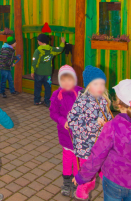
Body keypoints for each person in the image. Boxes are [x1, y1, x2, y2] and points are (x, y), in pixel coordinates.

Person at [73, 79, 131, 201]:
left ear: (118, 103)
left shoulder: (112, 127)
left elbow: (97, 155)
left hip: (113, 181)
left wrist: (82, 177)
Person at [67, 65, 113, 200]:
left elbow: (109, 118)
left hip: (102, 145)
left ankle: (114, 189)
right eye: (96, 83)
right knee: (88, 173)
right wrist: (93, 125)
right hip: (86, 146)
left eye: (102, 84)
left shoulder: (104, 100)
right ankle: (82, 193)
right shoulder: (81, 101)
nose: (100, 87)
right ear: (88, 85)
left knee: (107, 170)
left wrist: (109, 124)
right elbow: (72, 121)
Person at [50, 65, 82, 196]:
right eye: (63, 80)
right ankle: (67, 182)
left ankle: (77, 181)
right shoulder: (57, 95)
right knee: (68, 158)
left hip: (80, 134)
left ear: (75, 79)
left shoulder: (81, 93)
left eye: (69, 79)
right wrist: (63, 121)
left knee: (78, 159)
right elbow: (53, 112)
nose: (66, 83)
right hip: (65, 134)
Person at [31, 33, 65, 107]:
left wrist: (32, 71)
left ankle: (36, 101)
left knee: (37, 87)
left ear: (40, 42)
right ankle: (47, 102)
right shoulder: (51, 49)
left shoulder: (37, 51)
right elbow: (60, 50)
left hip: (38, 73)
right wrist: (62, 42)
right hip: (48, 73)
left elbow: (34, 62)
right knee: (48, 87)